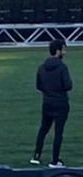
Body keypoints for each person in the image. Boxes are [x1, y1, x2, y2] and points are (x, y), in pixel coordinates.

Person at [31, 38, 72, 167]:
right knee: (58, 132)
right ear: (58, 51)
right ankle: (55, 160)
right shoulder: (62, 67)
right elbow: (68, 85)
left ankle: (36, 155)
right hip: (60, 102)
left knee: (43, 129)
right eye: (63, 49)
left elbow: (39, 85)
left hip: (47, 102)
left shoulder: (42, 67)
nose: (65, 52)